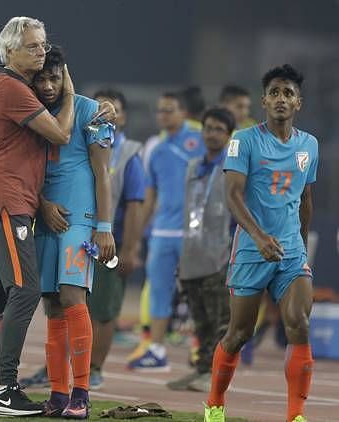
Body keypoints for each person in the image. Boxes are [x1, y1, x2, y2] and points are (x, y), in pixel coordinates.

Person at [0, 16, 111, 417]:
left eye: (43, 45)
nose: (40, 52)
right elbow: (59, 134)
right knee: (25, 290)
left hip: (6, 204)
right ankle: (5, 389)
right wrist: (73, 93)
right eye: (32, 47)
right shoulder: (11, 87)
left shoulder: (16, 88)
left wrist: (99, 106)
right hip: (9, 205)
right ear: (9, 53)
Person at [204, 64, 318, 422]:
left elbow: (306, 198)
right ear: (264, 101)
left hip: (290, 252)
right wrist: (258, 236)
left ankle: (295, 415)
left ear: (298, 102)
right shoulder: (244, 140)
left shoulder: (309, 145)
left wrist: (299, 244)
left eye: (288, 93)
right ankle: (215, 403)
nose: (281, 99)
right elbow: (232, 195)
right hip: (253, 249)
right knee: (238, 334)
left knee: (299, 322)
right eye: (275, 93)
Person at [31, 45, 115, 419]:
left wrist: (104, 227)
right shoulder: (31, 113)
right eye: (42, 78)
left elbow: (102, 174)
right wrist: (42, 206)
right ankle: (58, 394)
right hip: (45, 221)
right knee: (51, 305)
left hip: (79, 220)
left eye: (55, 77)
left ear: (66, 74)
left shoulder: (91, 111)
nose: (48, 85)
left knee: (71, 298)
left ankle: (81, 393)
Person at [129, 91, 205, 371]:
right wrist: (136, 237)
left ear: (183, 112)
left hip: (193, 233)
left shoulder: (201, 142)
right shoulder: (154, 148)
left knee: (197, 293)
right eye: (160, 111)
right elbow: (149, 196)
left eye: (169, 110)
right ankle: (157, 350)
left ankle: (201, 348)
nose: (163, 115)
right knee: (160, 290)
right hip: (161, 232)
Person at [166, 107, 235, 392]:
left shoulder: (234, 167)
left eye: (219, 129)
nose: (212, 134)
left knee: (221, 321)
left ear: (230, 135)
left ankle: (216, 376)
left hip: (220, 254)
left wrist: (232, 250)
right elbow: (189, 212)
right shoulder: (194, 167)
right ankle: (202, 370)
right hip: (193, 252)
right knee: (200, 321)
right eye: (208, 128)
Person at [87, 88, 146, 390]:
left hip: (111, 243)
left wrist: (129, 249)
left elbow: (136, 204)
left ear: (122, 117)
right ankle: (58, 368)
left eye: (114, 109)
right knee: (71, 308)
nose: (107, 113)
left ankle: (95, 369)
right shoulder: (81, 143)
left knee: (104, 311)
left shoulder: (129, 154)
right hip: (79, 240)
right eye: (100, 107)